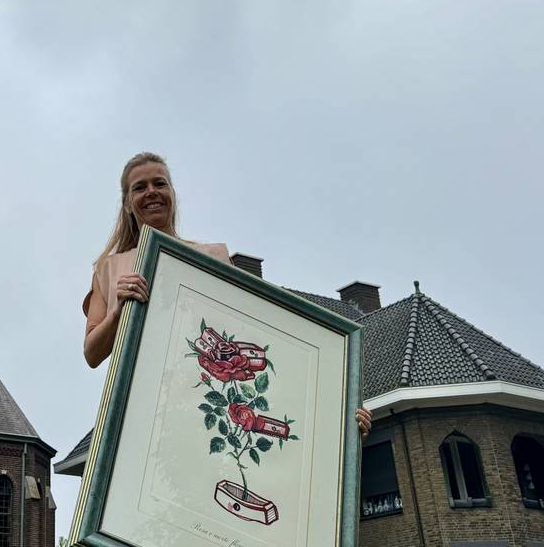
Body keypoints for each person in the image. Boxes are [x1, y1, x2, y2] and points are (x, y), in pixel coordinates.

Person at [81, 151, 373, 438]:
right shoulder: (108, 270)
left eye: (160, 183)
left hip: (210, 400)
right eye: (139, 187)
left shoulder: (213, 258)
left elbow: (264, 337)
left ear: (172, 193)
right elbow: (92, 353)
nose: (151, 192)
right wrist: (118, 312)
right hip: (143, 409)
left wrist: (340, 409)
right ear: (127, 204)